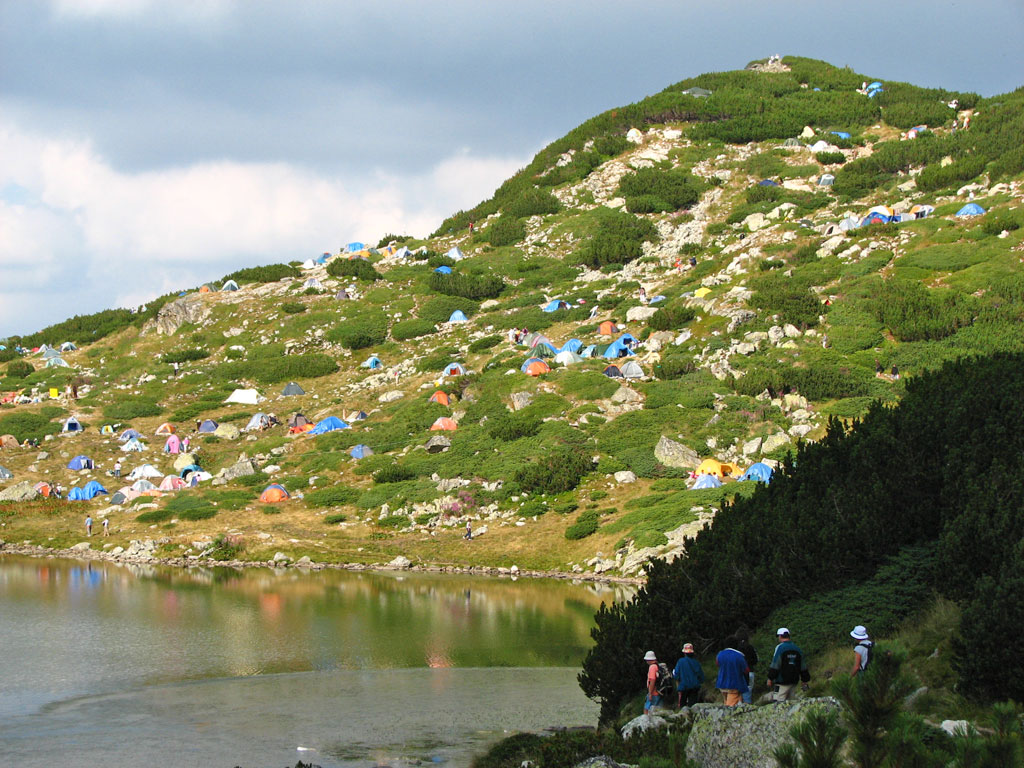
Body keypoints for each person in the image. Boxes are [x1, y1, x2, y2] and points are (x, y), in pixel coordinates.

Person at [767, 628, 810, 701]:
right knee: (792, 704)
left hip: (782, 682)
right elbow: (803, 666)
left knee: (778, 704)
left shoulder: (780, 648)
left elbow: (775, 664)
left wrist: (770, 678)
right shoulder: (797, 649)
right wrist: (805, 679)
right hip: (794, 682)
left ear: (780, 636)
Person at [715, 638, 749, 707]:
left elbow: (717, 664)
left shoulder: (720, 654)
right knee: (730, 707)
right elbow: (746, 670)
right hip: (734, 685)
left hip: (721, 684)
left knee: (726, 702)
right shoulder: (739, 656)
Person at [673, 642, 704, 708]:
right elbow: (701, 677)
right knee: (693, 705)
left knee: (683, 705)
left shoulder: (680, 661)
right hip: (695, 687)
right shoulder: (696, 663)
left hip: (684, 686)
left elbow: (676, 674)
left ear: (684, 653)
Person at [734, 629, 760, 704]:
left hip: (738, 674)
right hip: (750, 672)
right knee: (747, 694)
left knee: (737, 696)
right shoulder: (751, 648)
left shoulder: (736, 648)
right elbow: (756, 660)